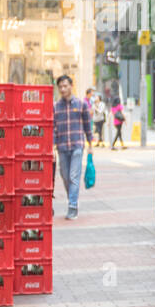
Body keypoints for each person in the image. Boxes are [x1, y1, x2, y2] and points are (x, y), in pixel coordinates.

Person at [53, 74, 93, 219]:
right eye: (60, 87)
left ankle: (72, 206)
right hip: (62, 146)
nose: (63, 89)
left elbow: (88, 125)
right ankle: (73, 199)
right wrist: (52, 147)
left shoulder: (81, 104)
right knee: (65, 176)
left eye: (65, 86)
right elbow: (53, 128)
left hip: (77, 145)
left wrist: (90, 145)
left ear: (71, 86)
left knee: (73, 176)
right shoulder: (56, 107)